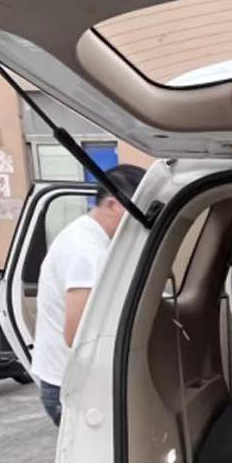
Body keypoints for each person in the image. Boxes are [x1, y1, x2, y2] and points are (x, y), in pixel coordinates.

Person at [32, 164, 146, 425]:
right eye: (137, 212)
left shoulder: (91, 238)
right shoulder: (85, 250)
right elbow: (78, 334)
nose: (141, 222)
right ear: (113, 205)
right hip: (73, 386)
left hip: (73, 380)